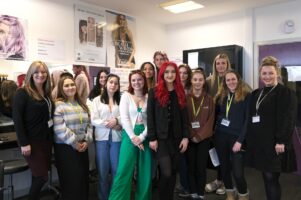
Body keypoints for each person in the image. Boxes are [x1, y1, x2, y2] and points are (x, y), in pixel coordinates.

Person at [246, 56, 297, 200]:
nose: (267, 76)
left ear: (277, 74)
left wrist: (281, 141)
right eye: (264, 73)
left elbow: (288, 119)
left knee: (271, 178)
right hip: (261, 144)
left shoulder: (285, 93)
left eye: (270, 73)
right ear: (260, 75)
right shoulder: (257, 93)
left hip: (275, 144)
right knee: (265, 177)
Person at [147, 62, 189, 200]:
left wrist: (185, 137)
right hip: (161, 139)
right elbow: (150, 116)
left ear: (176, 74)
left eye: (172, 72)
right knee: (166, 172)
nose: (170, 75)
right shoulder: (154, 92)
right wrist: (152, 138)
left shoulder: (180, 91)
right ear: (162, 74)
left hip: (177, 138)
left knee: (173, 173)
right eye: (166, 72)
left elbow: (185, 118)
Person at [12, 61, 53, 200]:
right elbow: (17, 119)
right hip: (31, 142)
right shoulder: (22, 93)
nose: (40, 75)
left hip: (45, 141)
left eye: (43, 72)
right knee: (42, 177)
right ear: (31, 74)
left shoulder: (46, 93)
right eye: (36, 72)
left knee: (38, 175)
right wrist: (24, 143)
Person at [109, 70, 151, 200]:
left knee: (145, 172)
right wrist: (134, 138)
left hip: (145, 135)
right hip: (129, 135)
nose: (136, 82)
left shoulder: (150, 97)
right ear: (130, 82)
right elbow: (125, 119)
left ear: (144, 81)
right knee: (124, 170)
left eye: (139, 79)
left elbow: (152, 120)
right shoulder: (126, 96)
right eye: (133, 80)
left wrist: (142, 137)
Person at [53, 75, 93, 200]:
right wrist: (75, 143)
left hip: (83, 147)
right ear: (61, 88)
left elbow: (90, 125)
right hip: (66, 149)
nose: (70, 87)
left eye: (72, 84)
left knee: (82, 180)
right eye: (66, 85)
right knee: (71, 182)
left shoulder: (82, 104)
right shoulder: (58, 105)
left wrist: (87, 140)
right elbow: (59, 129)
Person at [214, 70, 251, 200]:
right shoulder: (221, 96)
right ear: (224, 82)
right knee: (224, 169)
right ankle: (230, 193)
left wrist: (240, 140)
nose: (231, 82)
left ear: (238, 79)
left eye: (233, 79)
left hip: (237, 139)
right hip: (220, 136)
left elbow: (248, 120)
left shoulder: (246, 96)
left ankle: (243, 194)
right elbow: (217, 115)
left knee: (238, 173)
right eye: (228, 80)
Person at [91, 74, 122, 200]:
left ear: (118, 85)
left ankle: (115, 197)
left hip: (117, 139)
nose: (113, 85)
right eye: (111, 82)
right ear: (105, 83)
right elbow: (93, 119)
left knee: (116, 171)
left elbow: (126, 116)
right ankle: (103, 197)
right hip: (101, 140)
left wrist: (117, 121)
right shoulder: (97, 100)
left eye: (116, 83)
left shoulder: (121, 99)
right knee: (103, 172)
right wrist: (110, 124)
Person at [185, 69, 215, 199]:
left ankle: (201, 193)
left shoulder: (209, 99)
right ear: (191, 81)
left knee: (201, 167)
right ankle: (193, 192)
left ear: (204, 82)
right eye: (195, 79)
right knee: (191, 167)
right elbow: (183, 119)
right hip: (189, 138)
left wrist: (199, 136)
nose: (197, 82)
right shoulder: (185, 98)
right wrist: (192, 135)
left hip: (204, 139)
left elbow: (211, 120)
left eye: (200, 80)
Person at [205, 53, 232, 195]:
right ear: (215, 65)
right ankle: (219, 179)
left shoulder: (233, 79)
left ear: (228, 64)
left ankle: (224, 182)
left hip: (228, 123)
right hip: (212, 123)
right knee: (216, 153)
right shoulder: (209, 81)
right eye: (218, 63)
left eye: (223, 63)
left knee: (225, 154)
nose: (220, 66)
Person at [176, 63, 192, 197]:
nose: (182, 75)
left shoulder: (192, 89)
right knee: (181, 159)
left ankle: (187, 187)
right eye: (180, 72)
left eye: (185, 73)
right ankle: (184, 184)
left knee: (188, 160)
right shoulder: (174, 88)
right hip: (178, 129)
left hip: (192, 128)